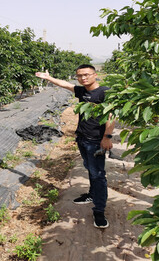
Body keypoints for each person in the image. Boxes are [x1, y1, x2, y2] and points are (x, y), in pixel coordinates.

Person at [35, 64, 114, 228]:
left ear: (95, 74)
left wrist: (107, 137)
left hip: (96, 141)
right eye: (80, 76)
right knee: (90, 168)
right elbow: (65, 84)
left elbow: (111, 116)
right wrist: (49, 78)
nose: (83, 78)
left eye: (86, 75)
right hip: (82, 138)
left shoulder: (104, 92)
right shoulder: (82, 91)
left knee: (98, 175)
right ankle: (92, 194)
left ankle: (99, 211)